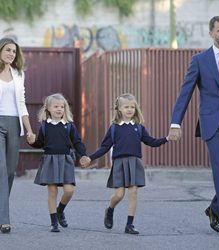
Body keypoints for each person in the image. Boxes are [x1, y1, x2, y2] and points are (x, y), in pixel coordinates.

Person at [168, 16, 219, 237]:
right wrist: (175, 122)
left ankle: (214, 208)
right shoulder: (199, 60)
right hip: (211, 124)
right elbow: (185, 93)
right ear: (211, 33)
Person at [81, 93, 168, 234]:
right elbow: (104, 147)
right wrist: (90, 158)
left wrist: (167, 138)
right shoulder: (114, 128)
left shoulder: (139, 127)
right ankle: (110, 209)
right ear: (119, 109)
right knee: (119, 195)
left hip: (135, 162)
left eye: (132, 107)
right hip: (119, 163)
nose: (129, 109)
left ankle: (129, 225)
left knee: (133, 192)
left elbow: (151, 141)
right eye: (126, 107)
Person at [27, 93, 90, 232]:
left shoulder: (69, 126)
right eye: (56, 106)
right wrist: (31, 142)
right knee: (52, 192)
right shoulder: (45, 126)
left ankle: (60, 210)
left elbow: (77, 142)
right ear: (48, 108)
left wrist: (84, 155)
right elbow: (39, 143)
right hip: (50, 160)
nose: (59, 109)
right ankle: (54, 222)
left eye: (62, 106)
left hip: (66, 160)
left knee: (69, 190)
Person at [0, 37, 34, 234]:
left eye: (14, 51)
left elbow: (22, 103)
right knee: (1, 170)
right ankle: (5, 219)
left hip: (14, 124)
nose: (11, 54)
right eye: (8, 50)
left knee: (11, 170)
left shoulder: (19, 74)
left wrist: (29, 129)